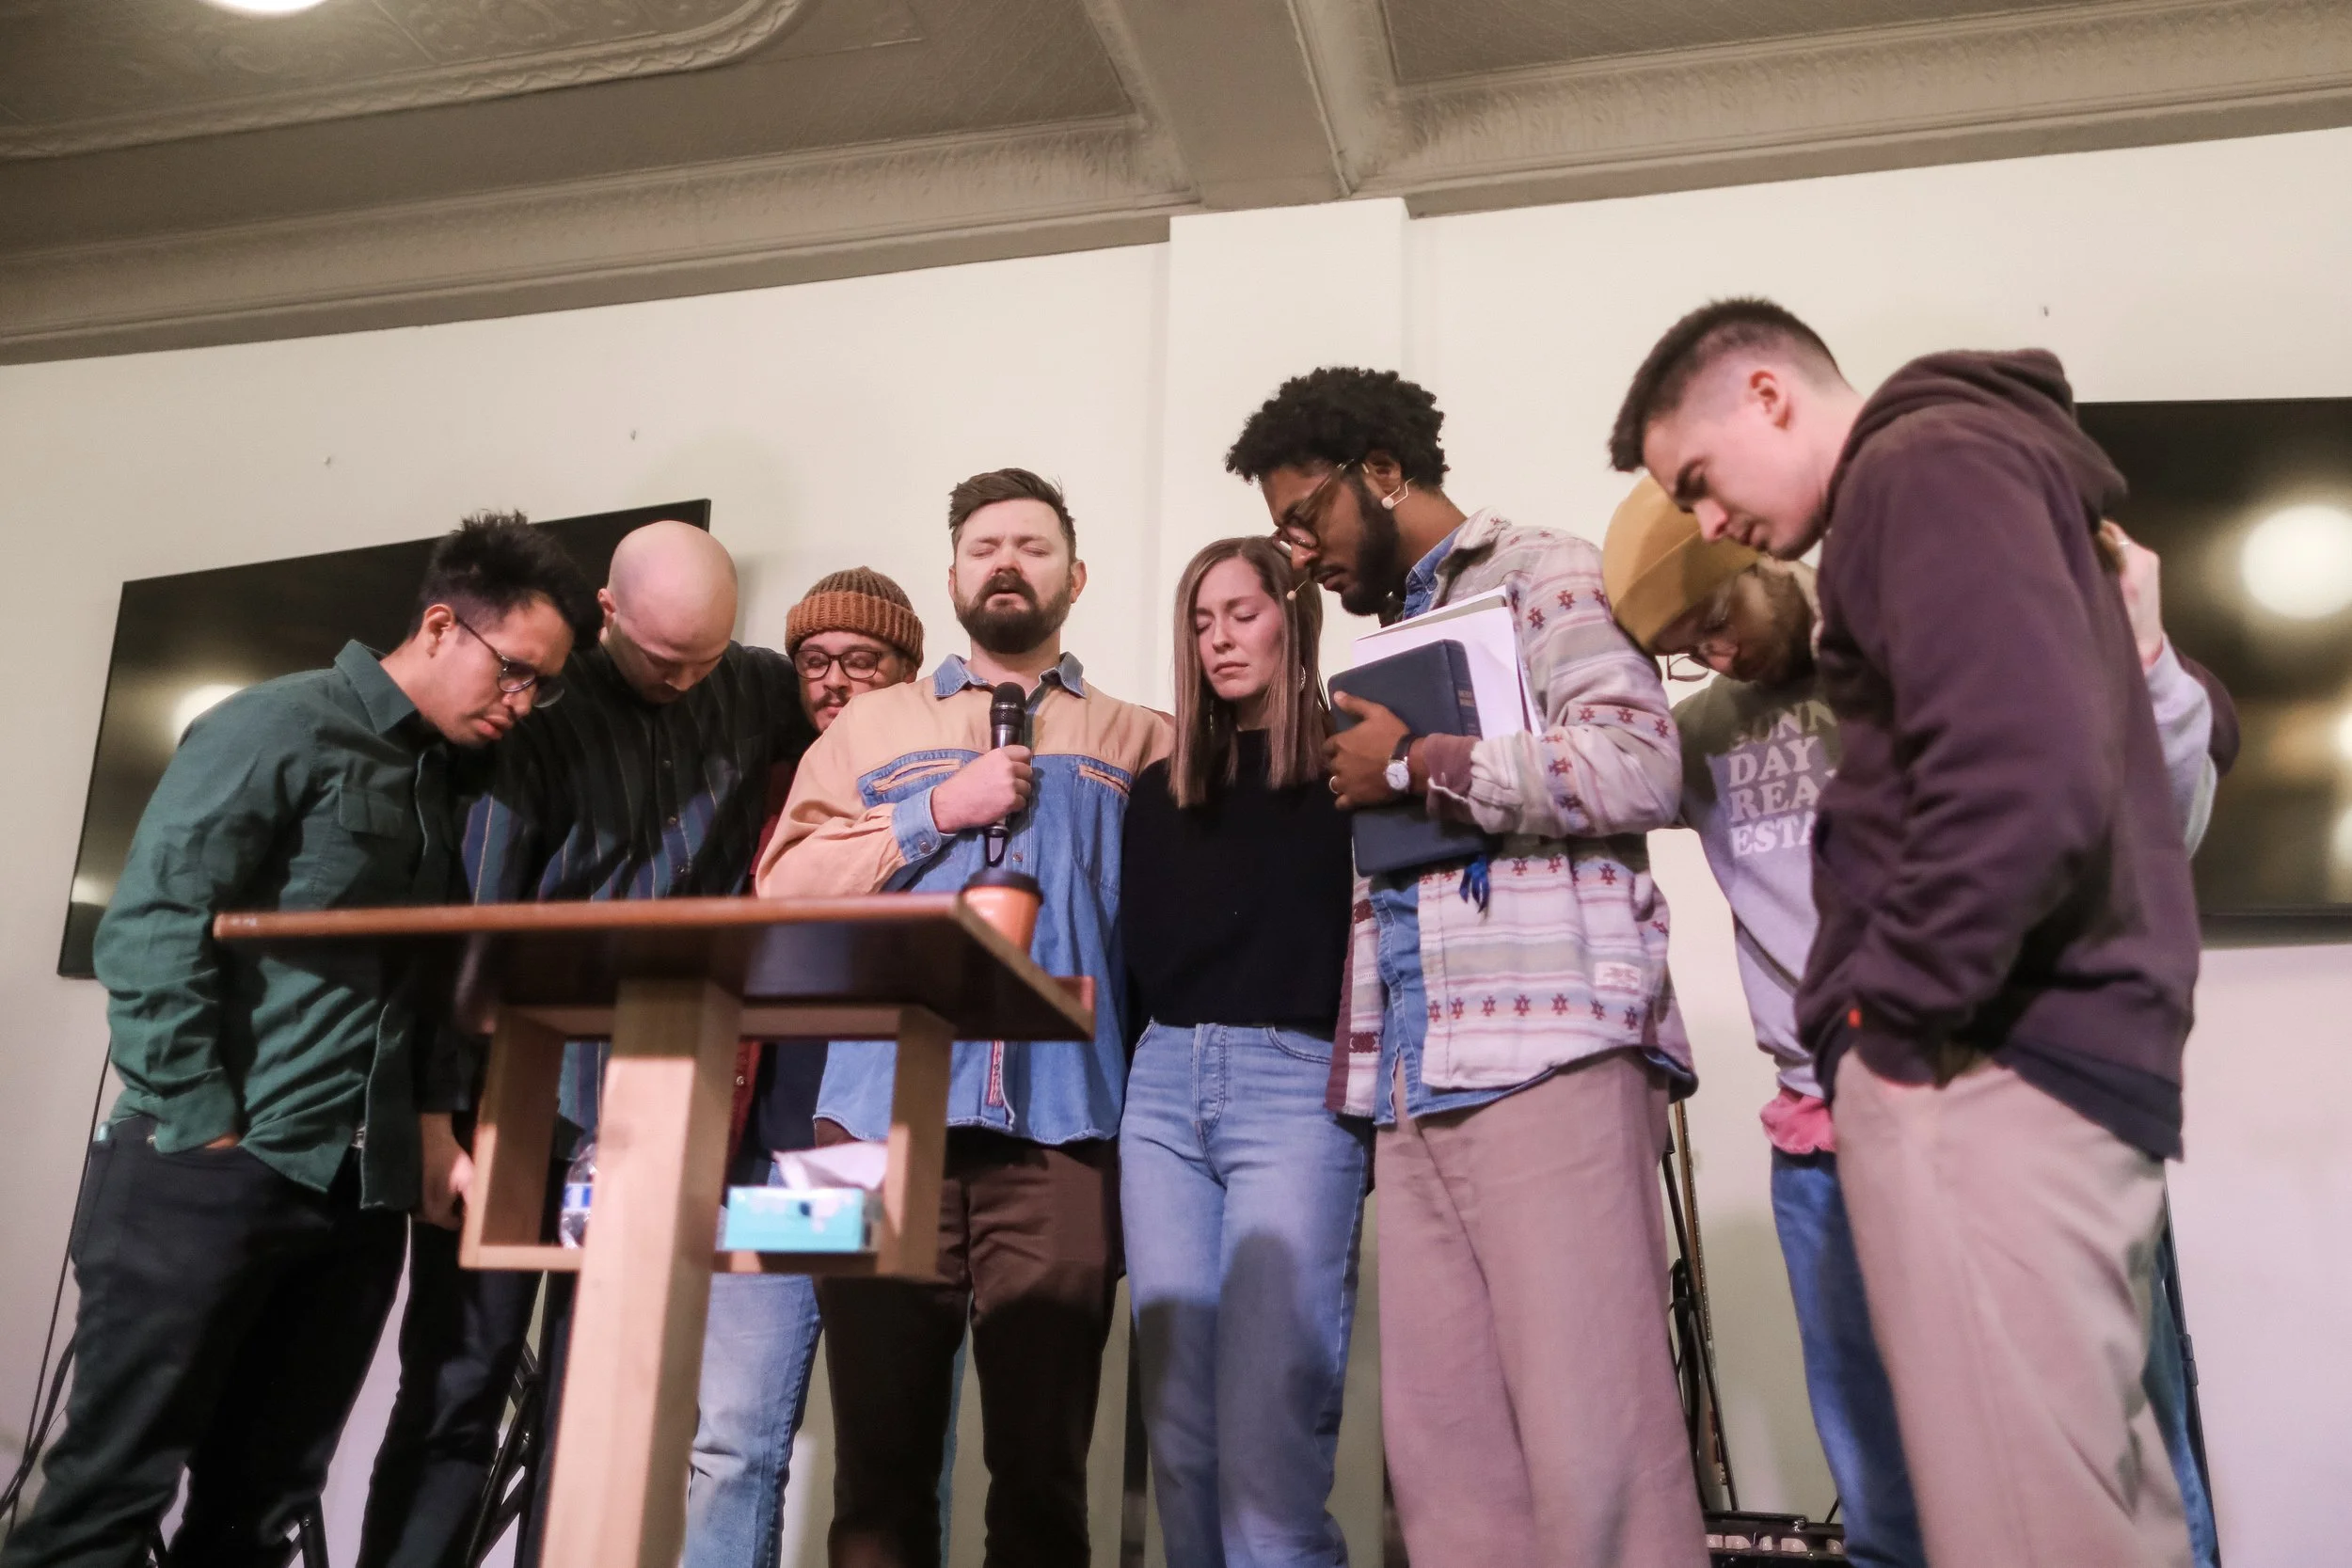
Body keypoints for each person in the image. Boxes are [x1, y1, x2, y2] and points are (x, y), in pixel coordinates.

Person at [1611, 298, 2202, 1568]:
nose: (1705, 523)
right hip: (2026, 1056)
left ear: (1768, 394)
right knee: (2087, 1511)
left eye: (1699, 481)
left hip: (1981, 1067)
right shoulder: (1974, 463)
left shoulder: (1917, 467)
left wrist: (1885, 1024)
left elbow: (2022, 774)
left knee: (2019, 1525)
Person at [2, 515, 592, 1568]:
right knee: (108, 1494)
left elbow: (418, 989)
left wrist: (424, 1129)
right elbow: (150, 927)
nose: (522, 702)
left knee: (262, 1505)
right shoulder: (280, 723)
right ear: (441, 625)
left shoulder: (448, 780)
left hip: (354, 1196)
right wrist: (204, 1124)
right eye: (514, 672)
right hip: (208, 1170)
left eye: (541, 686)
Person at [1225, 368, 1708, 1568]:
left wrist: (1415, 765)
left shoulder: (1547, 570)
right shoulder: (1393, 637)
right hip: (1416, 1075)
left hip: (1552, 1052)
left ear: (1383, 472)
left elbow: (1643, 763)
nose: (1300, 557)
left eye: (1306, 518)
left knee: (1595, 1446)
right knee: (1448, 1475)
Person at [358, 519, 817, 1568]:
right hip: (514, 1102)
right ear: (606, 612)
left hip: (652, 1114)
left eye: (705, 659)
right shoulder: (533, 715)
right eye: (663, 659)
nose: (684, 680)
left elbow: (853, 695)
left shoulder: (750, 685)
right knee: (459, 1386)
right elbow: (471, 936)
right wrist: (442, 1117)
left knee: (598, 1405)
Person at [756, 467, 1168, 1568]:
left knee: (1043, 1476)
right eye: (984, 547)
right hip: (865, 1123)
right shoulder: (870, 725)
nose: (1006, 564)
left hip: (1067, 1129)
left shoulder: (1138, 738)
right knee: (875, 1474)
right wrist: (937, 806)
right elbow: (782, 888)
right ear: (951, 579)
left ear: (1076, 577)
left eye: (1032, 546)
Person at [1119, 536, 1365, 1568]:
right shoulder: (1159, 791)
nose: (1219, 638)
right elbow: (1133, 967)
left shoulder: (1352, 771)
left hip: (1294, 1088)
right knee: (1180, 1441)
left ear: (1292, 620)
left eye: (1241, 613)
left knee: (1270, 1435)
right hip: (1160, 1092)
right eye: (1200, 620)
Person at [689, 567, 927, 1568]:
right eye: (815, 661)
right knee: (731, 1442)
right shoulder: (764, 791)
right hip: (766, 1154)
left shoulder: (940, 786)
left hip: (874, 1150)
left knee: (889, 1454)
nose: (834, 679)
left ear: (907, 670)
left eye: (861, 659)